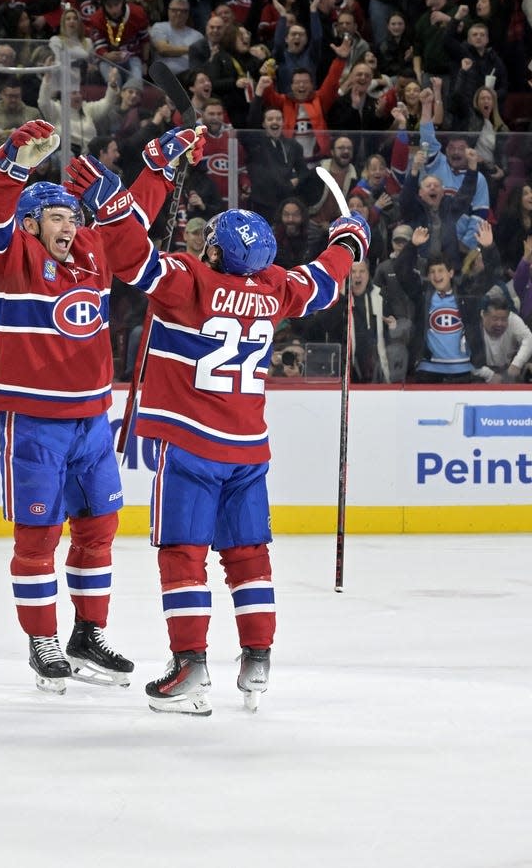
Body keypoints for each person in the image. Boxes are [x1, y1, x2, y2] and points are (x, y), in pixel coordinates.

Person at [59, 123, 365, 714]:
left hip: (192, 447)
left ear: (218, 252)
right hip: (248, 448)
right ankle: (258, 661)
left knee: (183, 553)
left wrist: (113, 204)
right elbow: (323, 281)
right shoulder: (275, 288)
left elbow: (132, 262)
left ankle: (190, 668)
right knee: (249, 553)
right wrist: (349, 242)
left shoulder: (190, 280)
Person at [0, 119, 135, 695]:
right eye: (57, 217)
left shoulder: (90, 252)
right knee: (38, 537)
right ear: (30, 224)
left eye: (73, 216)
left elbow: (131, 223)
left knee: (99, 529)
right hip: (36, 423)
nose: (70, 226)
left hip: (93, 421)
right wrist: (12, 163)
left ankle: (89, 634)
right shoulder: (11, 257)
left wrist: (158, 170)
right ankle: (44, 642)